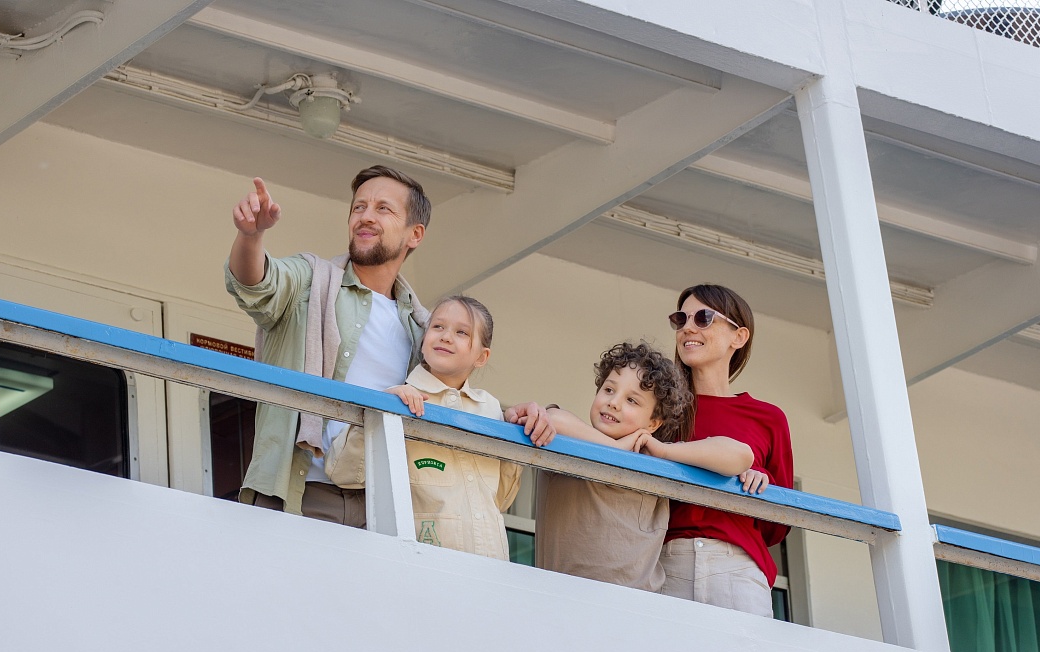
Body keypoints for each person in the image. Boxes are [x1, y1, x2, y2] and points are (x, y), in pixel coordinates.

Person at [224, 166, 432, 526]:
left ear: (415, 234)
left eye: (383, 208)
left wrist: (520, 415)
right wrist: (250, 236)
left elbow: (456, 394)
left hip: (382, 505)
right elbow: (256, 285)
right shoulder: (311, 279)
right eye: (359, 207)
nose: (366, 216)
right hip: (300, 493)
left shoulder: (422, 327)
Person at [530, 342, 754, 592]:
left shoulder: (654, 457)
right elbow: (555, 418)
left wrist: (665, 451)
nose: (614, 403)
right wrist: (617, 449)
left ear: (653, 423)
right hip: (563, 594)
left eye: (632, 400)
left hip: (638, 603)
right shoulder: (568, 443)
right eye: (608, 389)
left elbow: (741, 455)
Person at [325, 296, 522, 560]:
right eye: (438, 326)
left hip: (492, 563)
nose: (446, 337)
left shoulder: (491, 409)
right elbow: (342, 473)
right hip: (422, 563)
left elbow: (501, 499)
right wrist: (379, 411)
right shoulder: (400, 399)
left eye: (462, 332)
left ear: (482, 356)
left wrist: (518, 431)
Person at [641, 284, 794, 617]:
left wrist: (759, 481)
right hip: (664, 563)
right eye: (681, 319)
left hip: (737, 570)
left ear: (738, 336)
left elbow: (777, 527)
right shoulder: (659, 410)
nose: (688, 328)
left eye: (703, 318)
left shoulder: (769, 418)